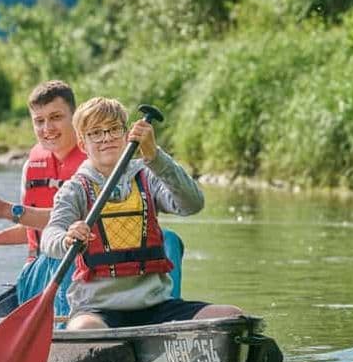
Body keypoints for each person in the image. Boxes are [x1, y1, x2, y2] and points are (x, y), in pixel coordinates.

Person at [0, 82, 184, 315]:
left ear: (75, 121)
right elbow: (43, 230)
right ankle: (67, 330)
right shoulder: (33, 164)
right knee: (70, 249)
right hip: (44, 266)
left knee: (167, 239)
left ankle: (163, 313)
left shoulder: (101, 158)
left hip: (92, 269)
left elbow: (98, 220)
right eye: (39, 121)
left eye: (56, 117)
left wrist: (7, 211)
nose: (47, 128)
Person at [40, 97, 242, 329]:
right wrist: (66, 238)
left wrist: (155, 156)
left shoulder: (148, 175)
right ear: (83, 144)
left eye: (114, 129)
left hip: (157, 307)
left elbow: (192, 204)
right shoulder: (75, 189)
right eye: (95, 132)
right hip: (98, 310)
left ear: (126, 134)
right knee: (84, 329)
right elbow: (49, 236)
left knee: (232, 317)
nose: (106, 138)